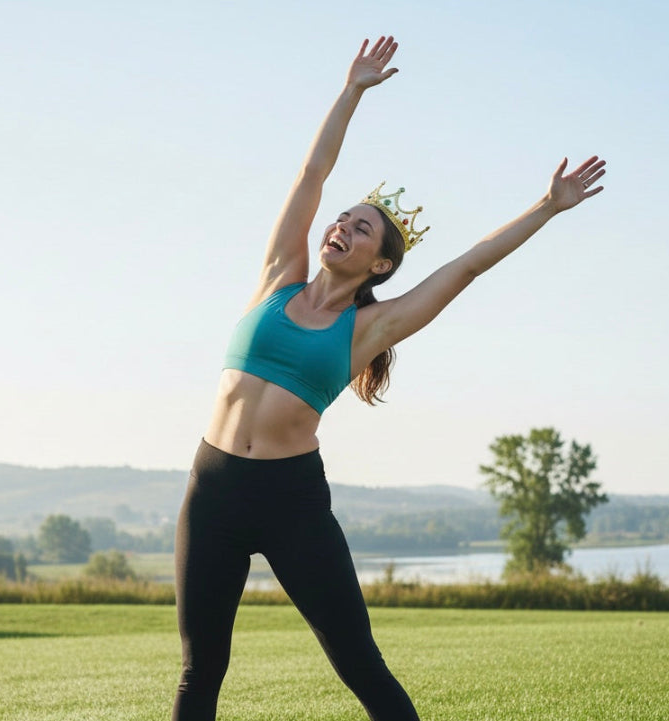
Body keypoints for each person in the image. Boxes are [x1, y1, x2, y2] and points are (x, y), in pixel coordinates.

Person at [172, 35, 606, 721]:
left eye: (361, 227)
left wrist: (545, 206)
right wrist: (351, 92)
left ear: (378, 265)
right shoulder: (277, 278)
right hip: (214, 488)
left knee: (359, 663)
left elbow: (466, 265)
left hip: (291, 502)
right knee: (202, 669)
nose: (341, 223)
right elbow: (309, 176)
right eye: (344, 217)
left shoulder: (370, 329)